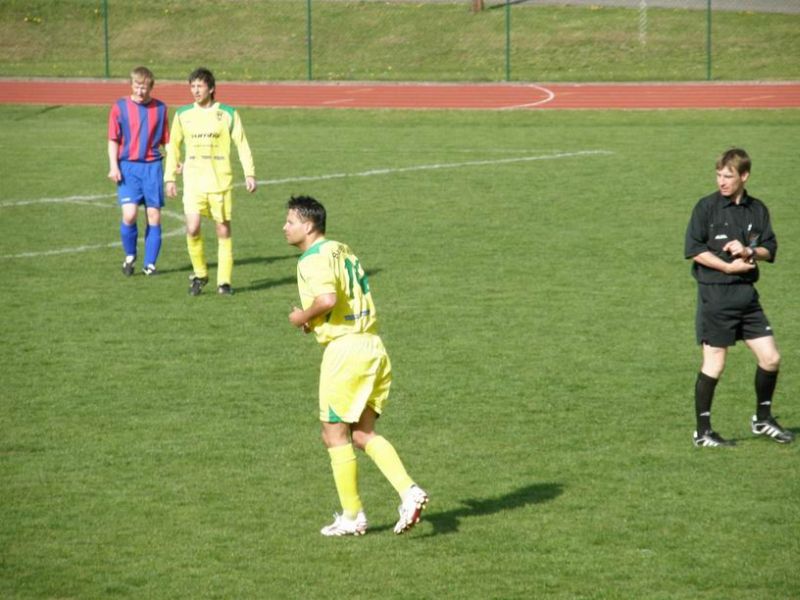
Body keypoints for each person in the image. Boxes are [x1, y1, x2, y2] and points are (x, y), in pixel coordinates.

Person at [284, 195, 428, 536]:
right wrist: (315, 321)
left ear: (308, 225)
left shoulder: (311, 259)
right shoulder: (342, 249)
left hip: (345, 353)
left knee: (333, 433)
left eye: (290, 221)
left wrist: (301, 317)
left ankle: (352, 516)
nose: (284, 227)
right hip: (373, 346)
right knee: (363, 434)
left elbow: (327, 299)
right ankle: (409, 492)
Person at [685, 148, 793, 447]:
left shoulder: (757, 209)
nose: (722, 181)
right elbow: (694, 249)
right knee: (715, 364)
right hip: (716, 297)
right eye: (719, 175)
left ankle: (762, 419)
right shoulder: (706, 207)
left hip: (747, 298)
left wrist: (749, 251)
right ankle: (703, 432)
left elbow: (769, 248)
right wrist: (727, 267)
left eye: (728, 176)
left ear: (744, 176)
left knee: (771, 358)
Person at [164, 67, 257, 296]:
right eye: (193, 86)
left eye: (200, 86)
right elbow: (173, 147)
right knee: (192, 227)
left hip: (219, 182)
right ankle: (200, 274)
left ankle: (224, 282)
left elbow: (242, 144)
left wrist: (249, 173)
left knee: (222, 230)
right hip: (193, 181)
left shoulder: (227, 113)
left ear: (211, 88)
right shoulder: (183, 114)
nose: (196, 90)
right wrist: (169, 178)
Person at [107, 66, 169, 276]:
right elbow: (113, 139)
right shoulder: (120, 107)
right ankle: (130, 255)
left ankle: (150, 264)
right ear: (131, 85)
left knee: (154, 216)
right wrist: (113, 166)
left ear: (151, 87)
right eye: (137, 86)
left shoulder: (160, 108)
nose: (140, 91)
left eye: (144, 87)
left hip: (152, 168)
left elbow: (167, 140)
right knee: (130, 214)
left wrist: (175, 161)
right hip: (128, 167)